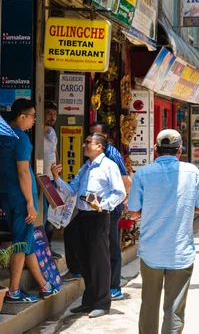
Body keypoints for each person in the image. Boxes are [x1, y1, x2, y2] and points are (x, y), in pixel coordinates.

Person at [128, 129, 199, 334]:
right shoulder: (191, 172)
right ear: (179, 150)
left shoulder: (143, 174)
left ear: (155, 149)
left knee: (149, 305)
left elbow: (133, 211)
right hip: (181, 252)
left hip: (151, 251)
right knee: (175, 308)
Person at [51, 133, 126, 318]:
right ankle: (89, 301)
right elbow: (71, 190)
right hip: (83, 215)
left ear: (99, 146)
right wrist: (56, 178)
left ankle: (102, 302)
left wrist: (103, 205)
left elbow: (120, 192)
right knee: (84, 259)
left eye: (88, 143)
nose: (84, 145)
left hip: (99, 216)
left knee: (99, 261)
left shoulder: (109, 166)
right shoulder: (86, 167)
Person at [0, 99, 61, 303]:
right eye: (33, 115)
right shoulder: (21, 139)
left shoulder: (4, 134)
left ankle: (44, 285)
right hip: (20, 196)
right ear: (22, 116)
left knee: (27, 240)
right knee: (21, 242)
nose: (35, 119)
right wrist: (30, 202)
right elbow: (23, 171)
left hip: (7, 194)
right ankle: (14, 291)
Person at [90, 122, 132, 301]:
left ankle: (114, 287)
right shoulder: (92, 155)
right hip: (95, 209)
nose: (91, 138)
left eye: (96, 134)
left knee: (112, 245)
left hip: (110, 208)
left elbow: (126, 181)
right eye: (90, 134)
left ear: (105, 137)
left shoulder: (112, 154)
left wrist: (117, 202)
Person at [43, 101, 61, 259]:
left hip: (52, 180)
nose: (52, 117)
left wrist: (58, 175)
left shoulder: (52, 132)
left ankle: (48, 247)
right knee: (41, 217)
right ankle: (40, 248)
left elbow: (55, 152)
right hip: (41, 181)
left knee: (51, 216)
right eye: (49, 113)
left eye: (54, 114)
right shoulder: (34, 132)